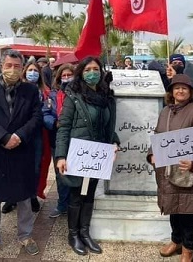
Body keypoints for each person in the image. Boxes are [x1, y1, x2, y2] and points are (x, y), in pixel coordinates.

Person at [0, 50, 43, 261]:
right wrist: (3, 137)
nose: (12, 70)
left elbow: (36, 117)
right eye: (8, 66)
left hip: (21, 151)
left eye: (16, 66)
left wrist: (19, 136)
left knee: (23, 198)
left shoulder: (30, 91)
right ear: (1, 66)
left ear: (22, 68)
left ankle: (25, 236)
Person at [55, 56, 120, 256]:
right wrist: (60, 156)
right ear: (81, 73)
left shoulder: (107, 96)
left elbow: (108, 125)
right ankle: (73, 234)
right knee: (76, 194)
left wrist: (115, 141)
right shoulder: (73, 95)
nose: (92, 72)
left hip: (98, 155)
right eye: (88, 69)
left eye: (96, 69)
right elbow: (64, 126)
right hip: (79, 153)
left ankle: (85, 232)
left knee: (90, 194)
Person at [147, 74, 193, 262]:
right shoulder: (165, 111)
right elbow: (157, 135)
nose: (180, 91)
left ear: (191, 91)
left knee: (186, 211)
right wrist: (151, 154)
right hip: (165, 170)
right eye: (176, 88)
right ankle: (176, 240)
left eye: (184, 88)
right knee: (172, 208)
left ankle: (188, 248)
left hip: (185, 170)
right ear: (171, 91)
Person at [21, 60, 52, 212]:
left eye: (35, 71)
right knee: (17, 165)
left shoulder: (45, 91)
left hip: (38, 134)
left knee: (36, 166)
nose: (32, 73)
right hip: (19, 133)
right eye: (30, 70)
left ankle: (32, 195)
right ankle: (14, 198)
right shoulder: (17, 89)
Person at [47, 63, 74, 218]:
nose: (66, 78)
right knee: (60, 173)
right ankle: (62, 204)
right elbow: (45, 113)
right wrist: (53, 122)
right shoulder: (52, 95)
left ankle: (75, 204)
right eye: (63, 76)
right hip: (57, 138)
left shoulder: (80, 94)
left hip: (76, 139)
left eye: (69, 75)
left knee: (75, 171)